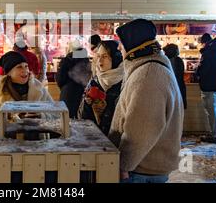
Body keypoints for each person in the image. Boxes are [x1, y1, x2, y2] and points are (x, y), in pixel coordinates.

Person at [109, 19, 184, 183]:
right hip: (142, 169)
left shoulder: (149, 75)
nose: (120, 48)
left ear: (132, 45)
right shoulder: (147, 68)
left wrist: (124, 166)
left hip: (140, 171)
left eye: (122, 44)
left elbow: (141, 129)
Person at [78, 40, 123, 135]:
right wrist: (87, 103)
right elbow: (81, 117)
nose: (100, 60)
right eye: (98, 56)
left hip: (118, 142)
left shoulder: (125, 82)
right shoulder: (94, 81)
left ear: (116, 58)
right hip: (96, 140)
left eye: (105, 56)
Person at [0, 51, 53, 116]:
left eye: (26, 66)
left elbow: (55, 114)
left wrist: (40, 116)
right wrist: (12, 118)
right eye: (19, 67)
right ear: (9, 73)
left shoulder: (39, 88)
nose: (25, 70)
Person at [56, 40, 92, 118]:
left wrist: (64, 87)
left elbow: (60, 79)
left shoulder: (67, 59)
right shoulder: (86, 60)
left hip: (68, 92)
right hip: (84, 93)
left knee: (67, 118)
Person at [163, 44, 187, 109]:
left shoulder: (164, 60)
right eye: (177, 49)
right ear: (175, 51)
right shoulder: (178, 60)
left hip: (167, 87)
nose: (178, 51)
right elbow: (180, 75)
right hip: (177, 86)